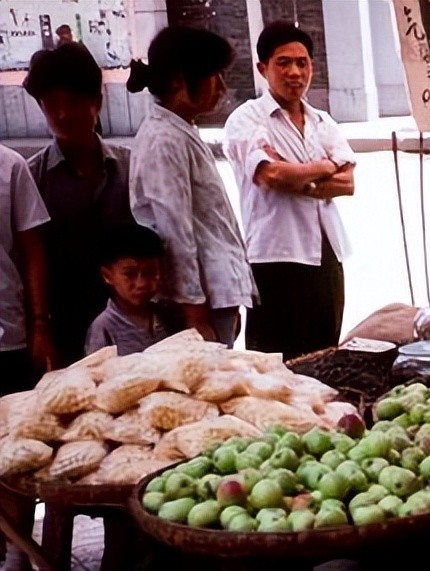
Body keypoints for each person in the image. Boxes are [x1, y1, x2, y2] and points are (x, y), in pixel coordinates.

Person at [224, 22, 355, 360]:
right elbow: (270, 175)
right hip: (274, 257)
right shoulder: (246, 119)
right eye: (283, 63)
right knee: (275, 363)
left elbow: (348, 182)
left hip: (326, 255)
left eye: (302, 62)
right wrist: (324, 166)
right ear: (262, 68)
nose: (295, 72)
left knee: (324, 355)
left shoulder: (323, 121)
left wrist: (299, 179)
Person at [127, 26, 257, 346]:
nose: (223, 87)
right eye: (214, 76)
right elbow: (174, 229)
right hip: (198, 302)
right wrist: (194, 310)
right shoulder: (163, 140)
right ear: (178, 81)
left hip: (215, 292)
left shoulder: (180, 129)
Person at [24, 43, 136, 366]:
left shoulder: (131, 168)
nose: (61, 115)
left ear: (97, 103)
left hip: (131, 323)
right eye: (50, 105)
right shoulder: (32, 177)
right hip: (64, 327)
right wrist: (40, 326)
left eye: (72, 103)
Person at [0, 143, 52, 571]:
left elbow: (33, 251)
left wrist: (40, 324)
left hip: (8, 336)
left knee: (14, 460)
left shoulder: (9, 166)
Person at [84, 223, 172, 356]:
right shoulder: (104, 327)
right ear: (108, 276)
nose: (141, 283)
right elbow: (96, 372)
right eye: (130, 274)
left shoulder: (166, 315)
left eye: (150, 272)